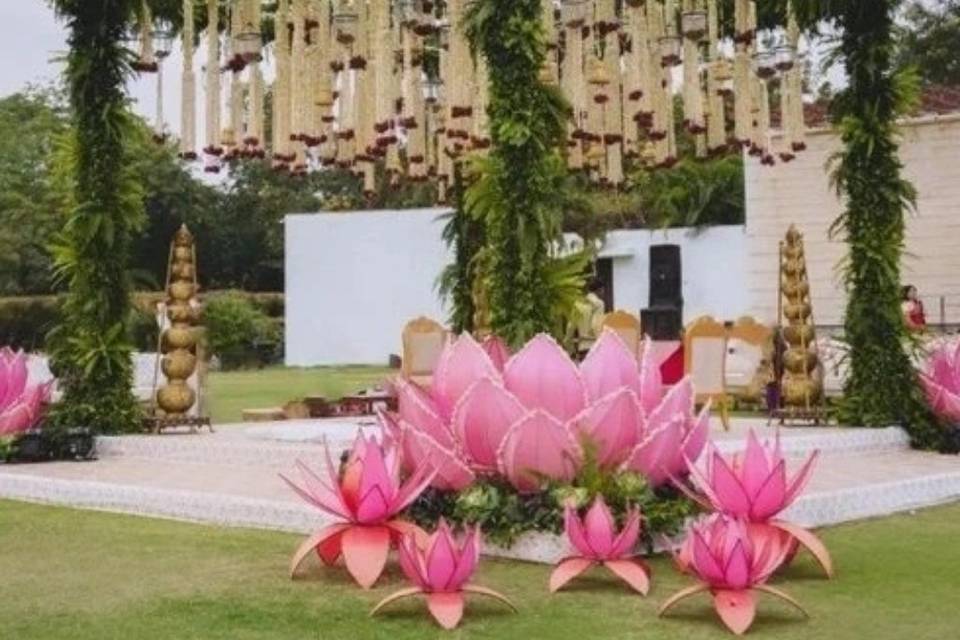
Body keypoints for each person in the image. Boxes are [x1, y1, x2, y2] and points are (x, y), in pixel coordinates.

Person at [569, 279, 607, 358]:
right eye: (603, 290)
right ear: (599, 290)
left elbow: (571, 326)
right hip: (594, 346)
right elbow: (595, 325)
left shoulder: (578, 304)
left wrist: (569, 344)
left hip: (582, 347)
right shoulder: (599, 304)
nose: (603, 293)